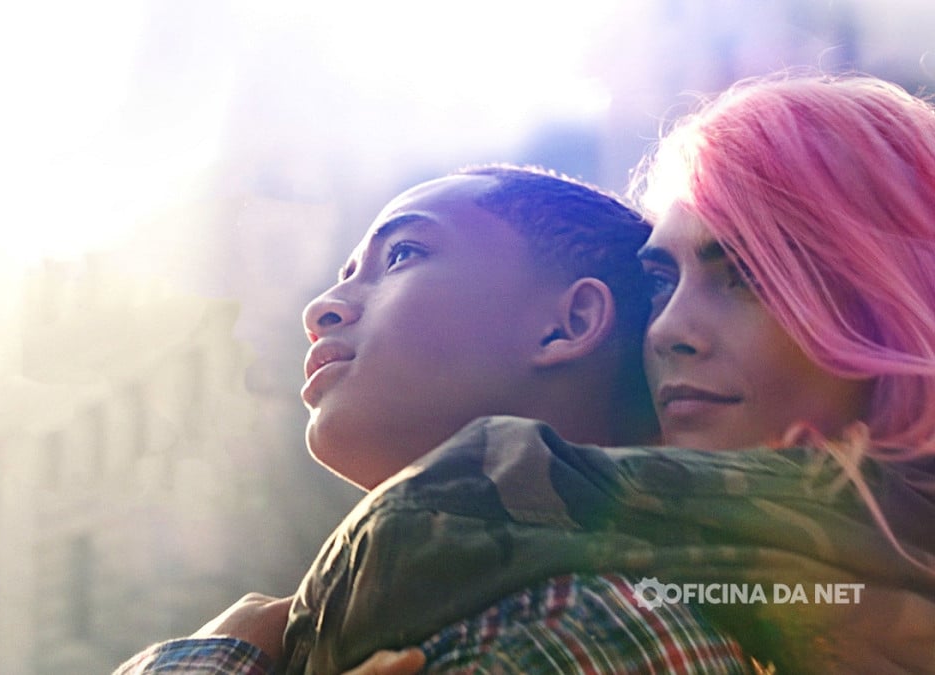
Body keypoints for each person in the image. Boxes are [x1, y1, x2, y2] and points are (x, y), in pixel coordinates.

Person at [283, 73, 935, 674]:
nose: (669, 330)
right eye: (660, 281)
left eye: (747, 275)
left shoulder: (585, 618)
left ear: (891, 294)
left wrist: (220, 653)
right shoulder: (737, 591)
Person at [112, 166, 749, 674]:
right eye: (346, 273)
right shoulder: (413, 612)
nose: (322, 308)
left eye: (403, 254)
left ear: (569, 323)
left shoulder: (577, 630)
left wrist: (206, 660)